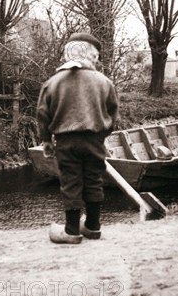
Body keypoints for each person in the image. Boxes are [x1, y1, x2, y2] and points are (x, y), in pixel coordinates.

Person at [37, 33, 119, 244]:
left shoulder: (53, 82)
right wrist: (101, 134)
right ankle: (93, 227)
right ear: (92, 55)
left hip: (65, 141)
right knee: (94, 180)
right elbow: (113, 114)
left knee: (70, 182)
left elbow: (43, 114)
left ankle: (71, 230)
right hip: (94, 140)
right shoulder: (105, 82)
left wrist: (46, 140)